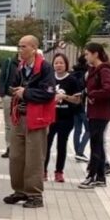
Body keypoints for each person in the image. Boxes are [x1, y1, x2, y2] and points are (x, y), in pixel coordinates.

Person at [3, 35, 55, 209]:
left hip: (36, 118)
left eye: (23, 46)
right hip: (19, 116)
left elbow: (48, 93)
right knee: (16, 156)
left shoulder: (45, 68)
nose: (20, 49)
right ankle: (20, 190)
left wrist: (26, 93)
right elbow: (14, 87)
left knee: (34, 157)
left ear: (34, 48)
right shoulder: (21, 67)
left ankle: (35, 194)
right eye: (19, 46)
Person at [43, 54, 81, 183]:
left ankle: (59, 172)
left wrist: (64, 97)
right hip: (50, 117)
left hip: (66, 118)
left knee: (61, 145)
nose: (58, 65)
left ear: (66, 65)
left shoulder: (72, 80)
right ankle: (43, 170)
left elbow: (77, 100)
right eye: (56, 63)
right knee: (46, 144)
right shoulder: (49, 79)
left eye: (61, 63)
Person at [80, 43, 110, 189]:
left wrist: (91, 94)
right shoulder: (93, 70)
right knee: (97, 143)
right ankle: (100, 177)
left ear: (95, 54)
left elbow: (108, 89)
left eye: (87, 54)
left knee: (95, 144)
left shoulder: (104, 70)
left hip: (101, 112)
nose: (85, 57)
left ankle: (91, 176)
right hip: (94, 111)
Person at [0, 55, 20, 158]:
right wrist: (3, 94)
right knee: (8, 124)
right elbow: (1, 77)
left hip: (23, 98)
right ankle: (9, 147)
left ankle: (18, 148)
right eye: (20, 46)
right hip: (8, 97)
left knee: (20, 123)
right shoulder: (9, 62)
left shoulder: (29, 64)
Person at [71, 55, 90, 163]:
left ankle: (77, 151)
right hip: (84, 105)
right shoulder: (87, 74)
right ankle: (80, 151)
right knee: (89, 129)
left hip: (74, 105)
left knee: (77, 129)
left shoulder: (73, 73)